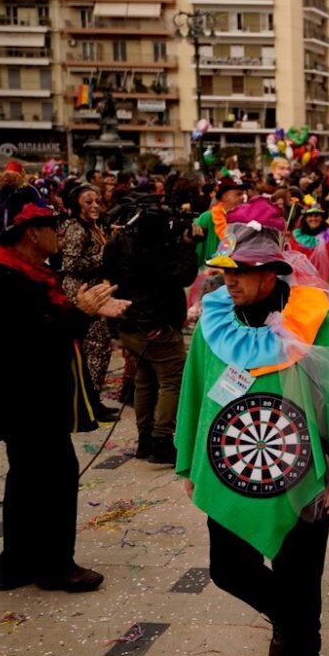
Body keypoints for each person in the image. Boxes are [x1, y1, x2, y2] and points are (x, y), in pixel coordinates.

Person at [175, 219, 329, 656]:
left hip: (303, 474)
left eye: (240, 271)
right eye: (224, 269)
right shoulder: (213, 317)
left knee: (300, 572)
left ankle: (306, 654)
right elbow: (194, 392)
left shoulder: (315, 324)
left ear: (271, 272)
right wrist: (187, 461)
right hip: (231, 468)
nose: (228, 279)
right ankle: (288, 622)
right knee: (227, 569)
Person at [0, 186, 129, 592]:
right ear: (31, 233)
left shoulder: (24, 272)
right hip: (26, 398)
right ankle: (54, 566)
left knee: (28, 478)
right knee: (52, 476)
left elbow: (47, 326)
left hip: (34, 396)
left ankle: (15, 564)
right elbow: (34, 341)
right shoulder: (4, 278)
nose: (60, 232)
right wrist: (81, 314)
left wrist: (85, 312)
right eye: (52, 225)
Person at [104, 196, 199, 463]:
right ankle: (161, 441)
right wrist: (187, 246)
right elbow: (183, 276)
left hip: (130, 324)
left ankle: (144, 440)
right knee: (172, 381)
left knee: (144, 381)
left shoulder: (116, 243)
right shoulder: (156, 248)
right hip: (157, 326)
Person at [58, 182, 117, 419]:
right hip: (79, 292)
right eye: (88, 201)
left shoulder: (94, 226)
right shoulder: (76, 229)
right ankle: (90, 404)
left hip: (94, 290)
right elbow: (70, 264)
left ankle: (91, 400)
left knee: (98, 348)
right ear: (76, 205)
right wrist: (103, 256)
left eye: (97, 201)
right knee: (97, 346)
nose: (95, 205)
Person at [192, 178, 248, 265]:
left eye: (243, 194)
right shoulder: (207, 217)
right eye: (238, 194)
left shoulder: (248, 218)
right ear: (224, 196)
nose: (243, 198)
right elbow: (193, 245)